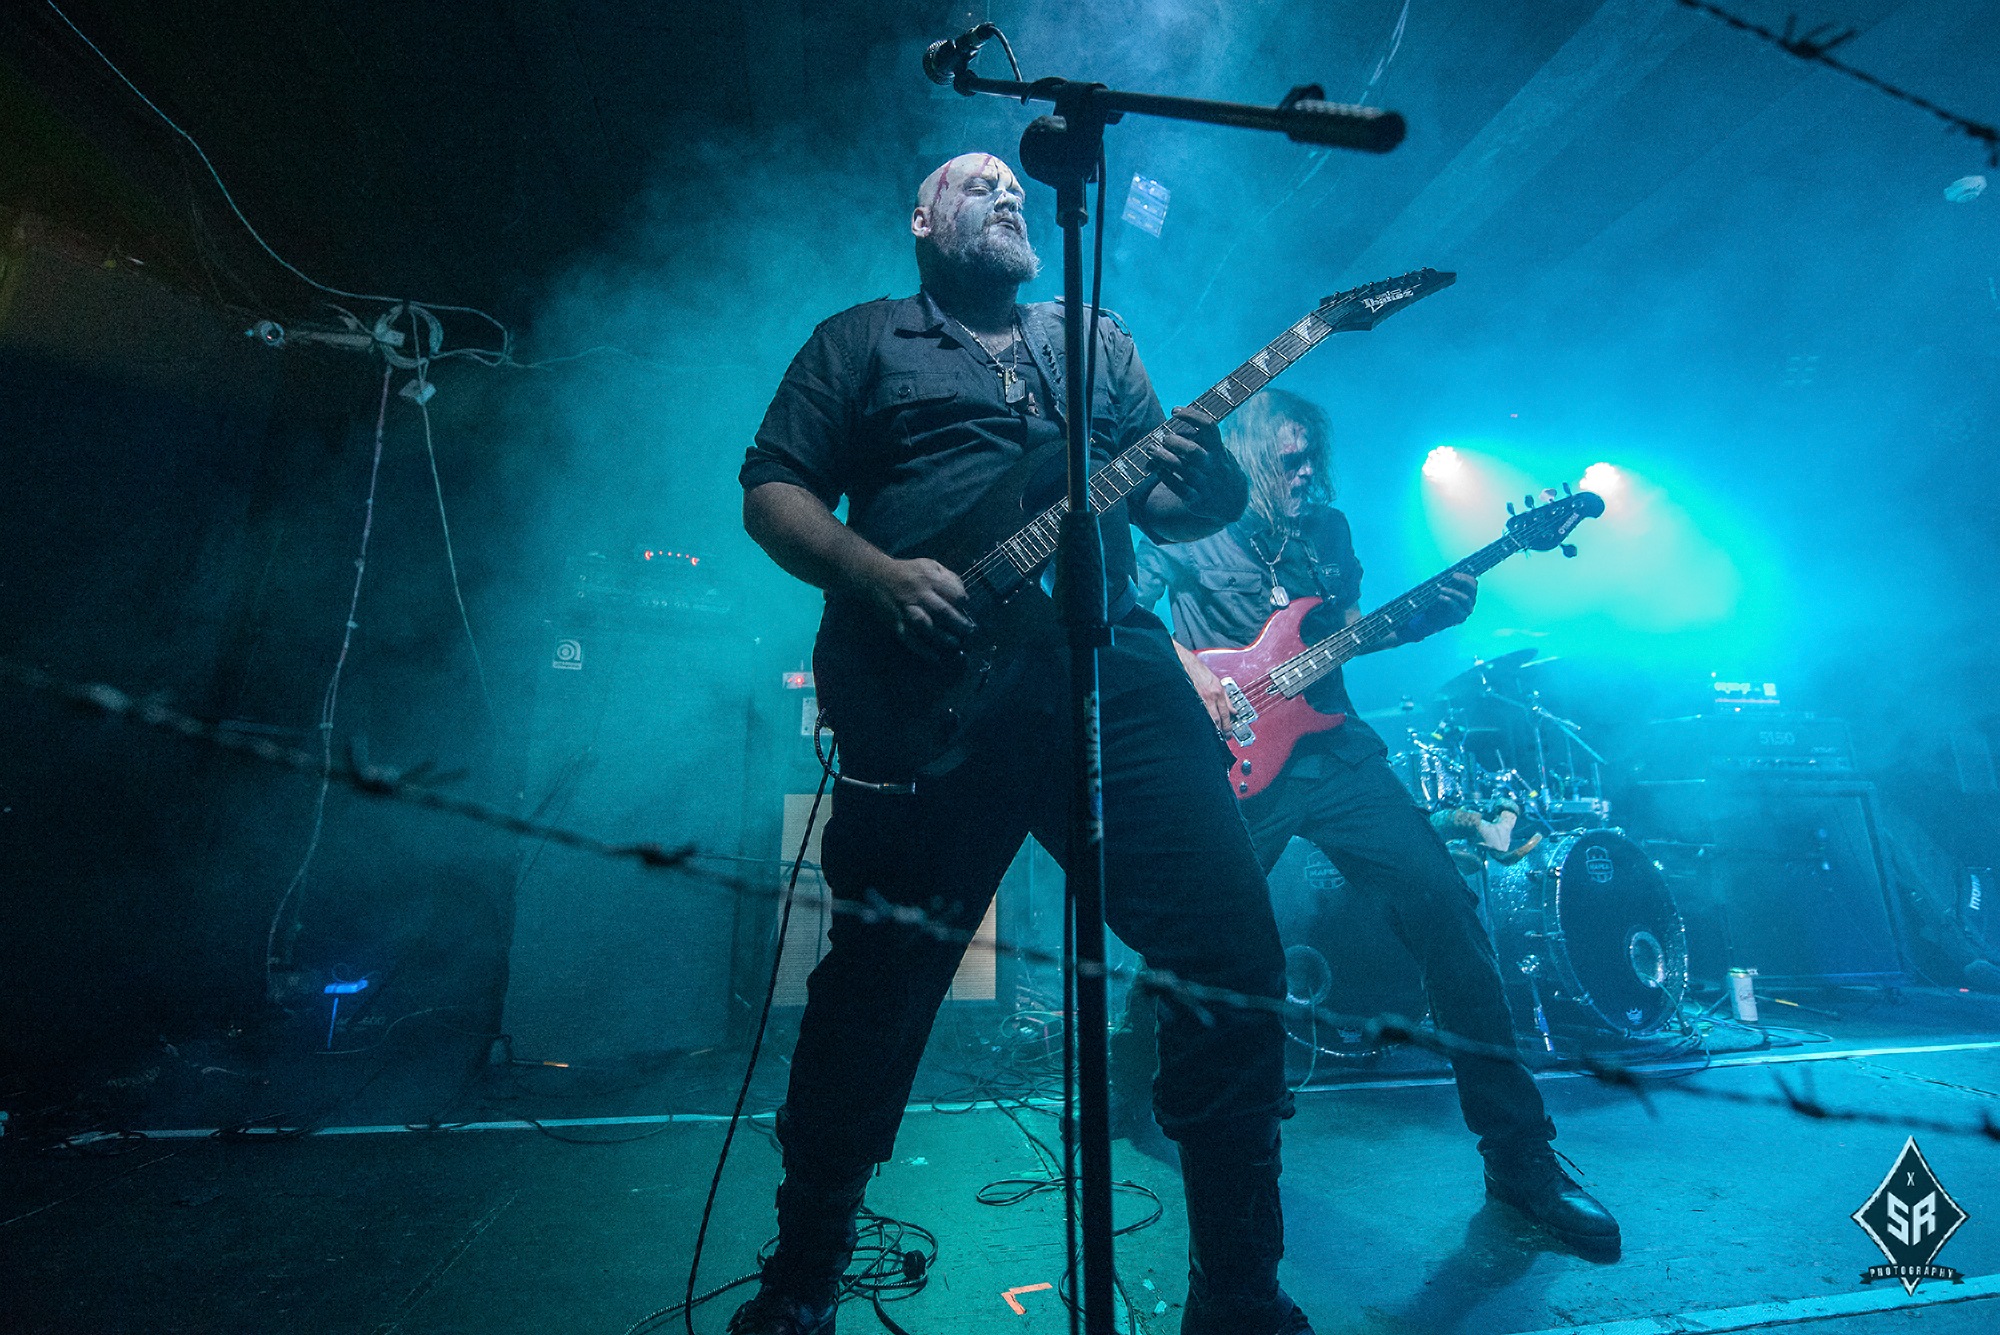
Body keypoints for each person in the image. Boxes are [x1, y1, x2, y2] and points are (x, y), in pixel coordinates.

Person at [734, 153, 1314, 1335]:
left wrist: (1209, 482)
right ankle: (801, 1277)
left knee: (1229, 955)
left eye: (1012, 184)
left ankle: (1238, 1288)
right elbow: (772, 491)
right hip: (928, 693)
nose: (1004, 191)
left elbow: (1173, 508)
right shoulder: (862, 339)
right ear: (920, 219)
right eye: (974, 183)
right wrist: (877, 576)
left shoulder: (1089, 340)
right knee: (876, 987)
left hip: (1109, 672)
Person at [1126, 387, 1622, 1260]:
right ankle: (1132, 1085)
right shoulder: (1195, 523)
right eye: (1290, 460)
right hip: (1235, 760)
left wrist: (1425, 619)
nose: (1307, 473)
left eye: (1312, 458)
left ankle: (1520, 1156)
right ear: (1251, 456)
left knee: (1447, 911)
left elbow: (1349, 630)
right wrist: (1194, 674)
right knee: (1190, 938)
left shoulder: (1330, 531)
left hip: (1335, 748)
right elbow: (1125, 611)